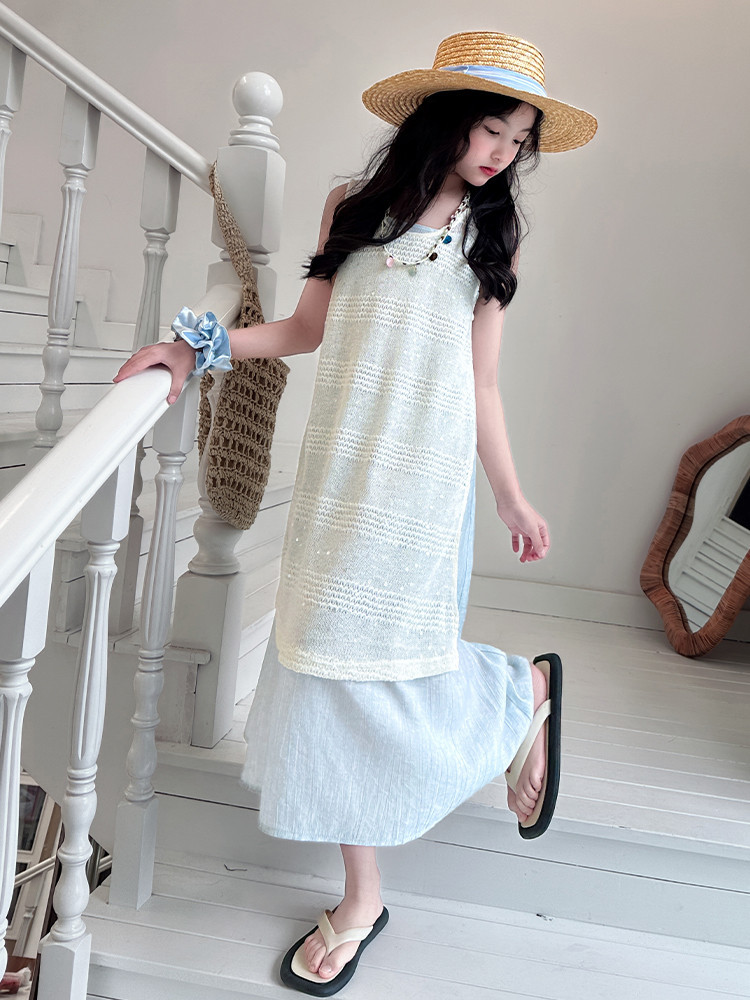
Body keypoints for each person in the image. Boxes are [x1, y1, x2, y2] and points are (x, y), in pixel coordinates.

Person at [114, 29, 596, 997]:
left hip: (424, 481)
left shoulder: (493, 235)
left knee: (381, 666)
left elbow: (482, 384)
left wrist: (510, 494)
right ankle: (511, 700)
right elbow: (305, 330)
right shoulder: (355, 204)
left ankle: (379, 875)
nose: (502, 153)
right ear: (445, 119)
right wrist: (195, 349)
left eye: (519, 140)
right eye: (491, 130)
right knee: (322, 667)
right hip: (342, 473)